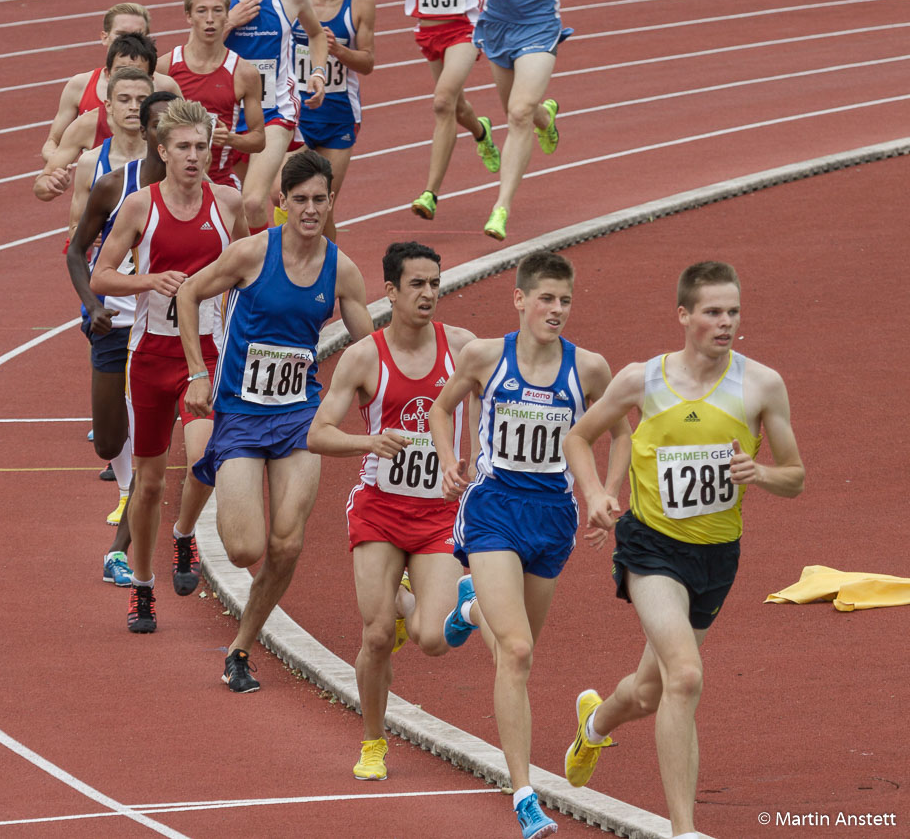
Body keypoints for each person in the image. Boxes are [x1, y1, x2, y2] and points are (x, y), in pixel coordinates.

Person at [561, 261, 805, 839]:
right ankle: (683, 830)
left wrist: (760, 473)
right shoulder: (642, 380)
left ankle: (594, 723)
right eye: (713, 312)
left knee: (651, 690)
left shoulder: (762, 385)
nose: (726, 324)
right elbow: (578, 436)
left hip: (717, 557)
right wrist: (596, 493)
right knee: (687, 677)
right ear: (684, 316)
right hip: (651, 549)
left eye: (733, 312)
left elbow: (796, 476)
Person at [428, 250, 631, 839]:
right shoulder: (485, 356)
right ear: (519, 299)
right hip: (492, 508)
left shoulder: (589, 369)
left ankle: (468, 608)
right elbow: (442, 411)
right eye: (546, 298)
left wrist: (606, 494)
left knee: (515, 652)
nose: (557, 310)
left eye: (565, 300)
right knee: (514, 652)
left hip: (552, 519)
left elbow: (622, 432)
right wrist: (448, 462)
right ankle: (523, 795)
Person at [176, 149, 372, 691]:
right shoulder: (252, 253)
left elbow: (370, 350)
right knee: (244, 548)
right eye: (300, 200)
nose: (310, 210)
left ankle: (240, 648)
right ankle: (199, 465)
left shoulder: (342, 269)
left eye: (319, 200)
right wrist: (197, 372)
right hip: (239, 412)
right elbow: (190, 292)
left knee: (287, 545)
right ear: (282, 202)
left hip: (298, 417)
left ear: (331, 202)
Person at [306, 241, 476, 781]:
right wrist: (369, 443)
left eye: (435, 282)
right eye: (417, 285)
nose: (429, 294)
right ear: (391, 291)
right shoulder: (362, 357)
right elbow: (318, 434)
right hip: (379, 511)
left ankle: (408, 604)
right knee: (376, 635)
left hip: (437, 516)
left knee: (432, 639)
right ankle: (374, 741)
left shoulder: (464, 348)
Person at [90, 99, 249, 633]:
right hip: (152, 355)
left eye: (202, 146)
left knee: (206, 457)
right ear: (163, 150)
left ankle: (184, 534)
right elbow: (101, 277)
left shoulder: (228, 204)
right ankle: (142, 587)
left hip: (209, 353)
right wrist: (148, 282)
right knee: (150, 483)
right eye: (182, 147)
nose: (193, 156)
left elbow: (251, 275)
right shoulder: (140, 205)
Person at [67, 90, 178, 586]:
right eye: (158, 124)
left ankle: (125, 552)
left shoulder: (207, 193)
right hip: (114, 320)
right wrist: (92, 306)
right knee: (109, 441)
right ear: (148, 132)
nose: (166, 135)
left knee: (155, 449)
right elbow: (76, 254)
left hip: (169, 331)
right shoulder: (116, 186)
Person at [453, 0, 598, 240]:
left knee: (518, 114)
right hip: (499, 27)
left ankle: (501, 207)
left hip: (540, 26)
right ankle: (545, 118)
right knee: (517, 110)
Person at [380, 0, 501, 221]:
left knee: (443, 101)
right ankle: (480, 131)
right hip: (429, 28)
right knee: (457, 107)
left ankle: (430, 193)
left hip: (466, 26)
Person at [223, 0, 329, 231]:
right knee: (229, 205)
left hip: (274, 109)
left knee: (253, 201)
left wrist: (318, 72)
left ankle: (259, 272)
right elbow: (196, 45)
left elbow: (317, 34)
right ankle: (249, 260)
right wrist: (229, 21)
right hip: (227, 110)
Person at [287, 0, 375, 241]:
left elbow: (367, 63)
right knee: (288, 198)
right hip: (297, 112)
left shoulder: (361, 1)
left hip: (339, 113)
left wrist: (337, 50)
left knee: (322, 209)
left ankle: (327, 276)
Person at [34, 34, 180, 205]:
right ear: (108, 74)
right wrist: (52, 184)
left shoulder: (169, 124)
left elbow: (202, 171)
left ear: (151, 79)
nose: (128, 80)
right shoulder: (87, 125)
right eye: (121, 72)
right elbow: (42, 185)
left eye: (137, 74)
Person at [157, 0, 266, 188]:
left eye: (217, 10)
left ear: (227, 14)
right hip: (169, 184)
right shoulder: (165, 67)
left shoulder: (244, 73)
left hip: (219, 184)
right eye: (201, 11)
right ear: (188, 16)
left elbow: (259, 140)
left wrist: (229, 138)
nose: (210, 19)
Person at [42, 2, 152, 160]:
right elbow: (53, 142)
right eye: (121, 35)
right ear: (104, 37)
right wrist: (56, 167)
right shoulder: (80, 85)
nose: (129, 42)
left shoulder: (164, 86)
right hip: (97, 181)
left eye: (136, 35)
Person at [67, 68, 153, 236]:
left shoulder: (168, 159)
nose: (134, 107)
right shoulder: (90, 162)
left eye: (142, 100)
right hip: (106, 261)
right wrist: (86, 235)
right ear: (109, 106)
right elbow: (75, 228)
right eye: (124, 100)